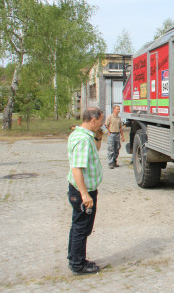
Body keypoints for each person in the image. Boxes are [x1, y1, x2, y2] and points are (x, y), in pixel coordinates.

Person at [67, 107, 104, 275]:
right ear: (93, 120)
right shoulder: (82, 139)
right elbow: (77, 169)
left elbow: (95, 149)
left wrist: (99, 137)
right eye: (101, 121)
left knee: (79, 226)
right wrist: (84, 194)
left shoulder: (83, 135)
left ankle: (74, 257)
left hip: (84, 190)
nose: (102, 124)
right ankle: (78, 264)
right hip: (82, 191)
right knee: (81, 228)